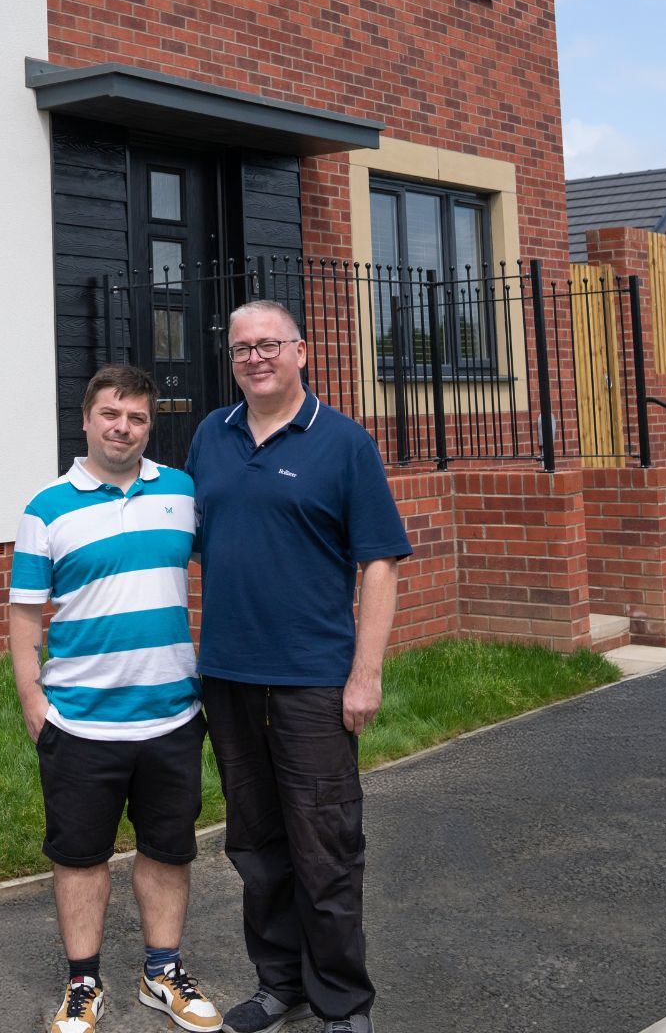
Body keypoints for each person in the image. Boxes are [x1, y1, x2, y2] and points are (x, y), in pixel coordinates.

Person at [188, 301, 410, 1033]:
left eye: (269, 345)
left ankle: (344, 1002)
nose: (255, 357)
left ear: (302, 352)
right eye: (242, 347)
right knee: (256, 843)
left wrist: (365, 672)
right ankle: (280, 984)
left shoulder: (342, 443)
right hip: (228, 676)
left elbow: (378, 562)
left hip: (313, 678)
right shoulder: (210, 437)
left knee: (326, 844)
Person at [10, 364, 224, 1033]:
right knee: (79, 857)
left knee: (169, 848)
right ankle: (83, 985)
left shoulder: (182, 493)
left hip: (171, 718)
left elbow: (224, 570)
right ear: (86, 420)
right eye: (111, 414)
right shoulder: (46, 507)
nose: (123, 427)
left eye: (135, 417)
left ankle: (162, 973)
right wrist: (33, 707)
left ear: (148, 425)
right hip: (79, 724)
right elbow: (23, 619)